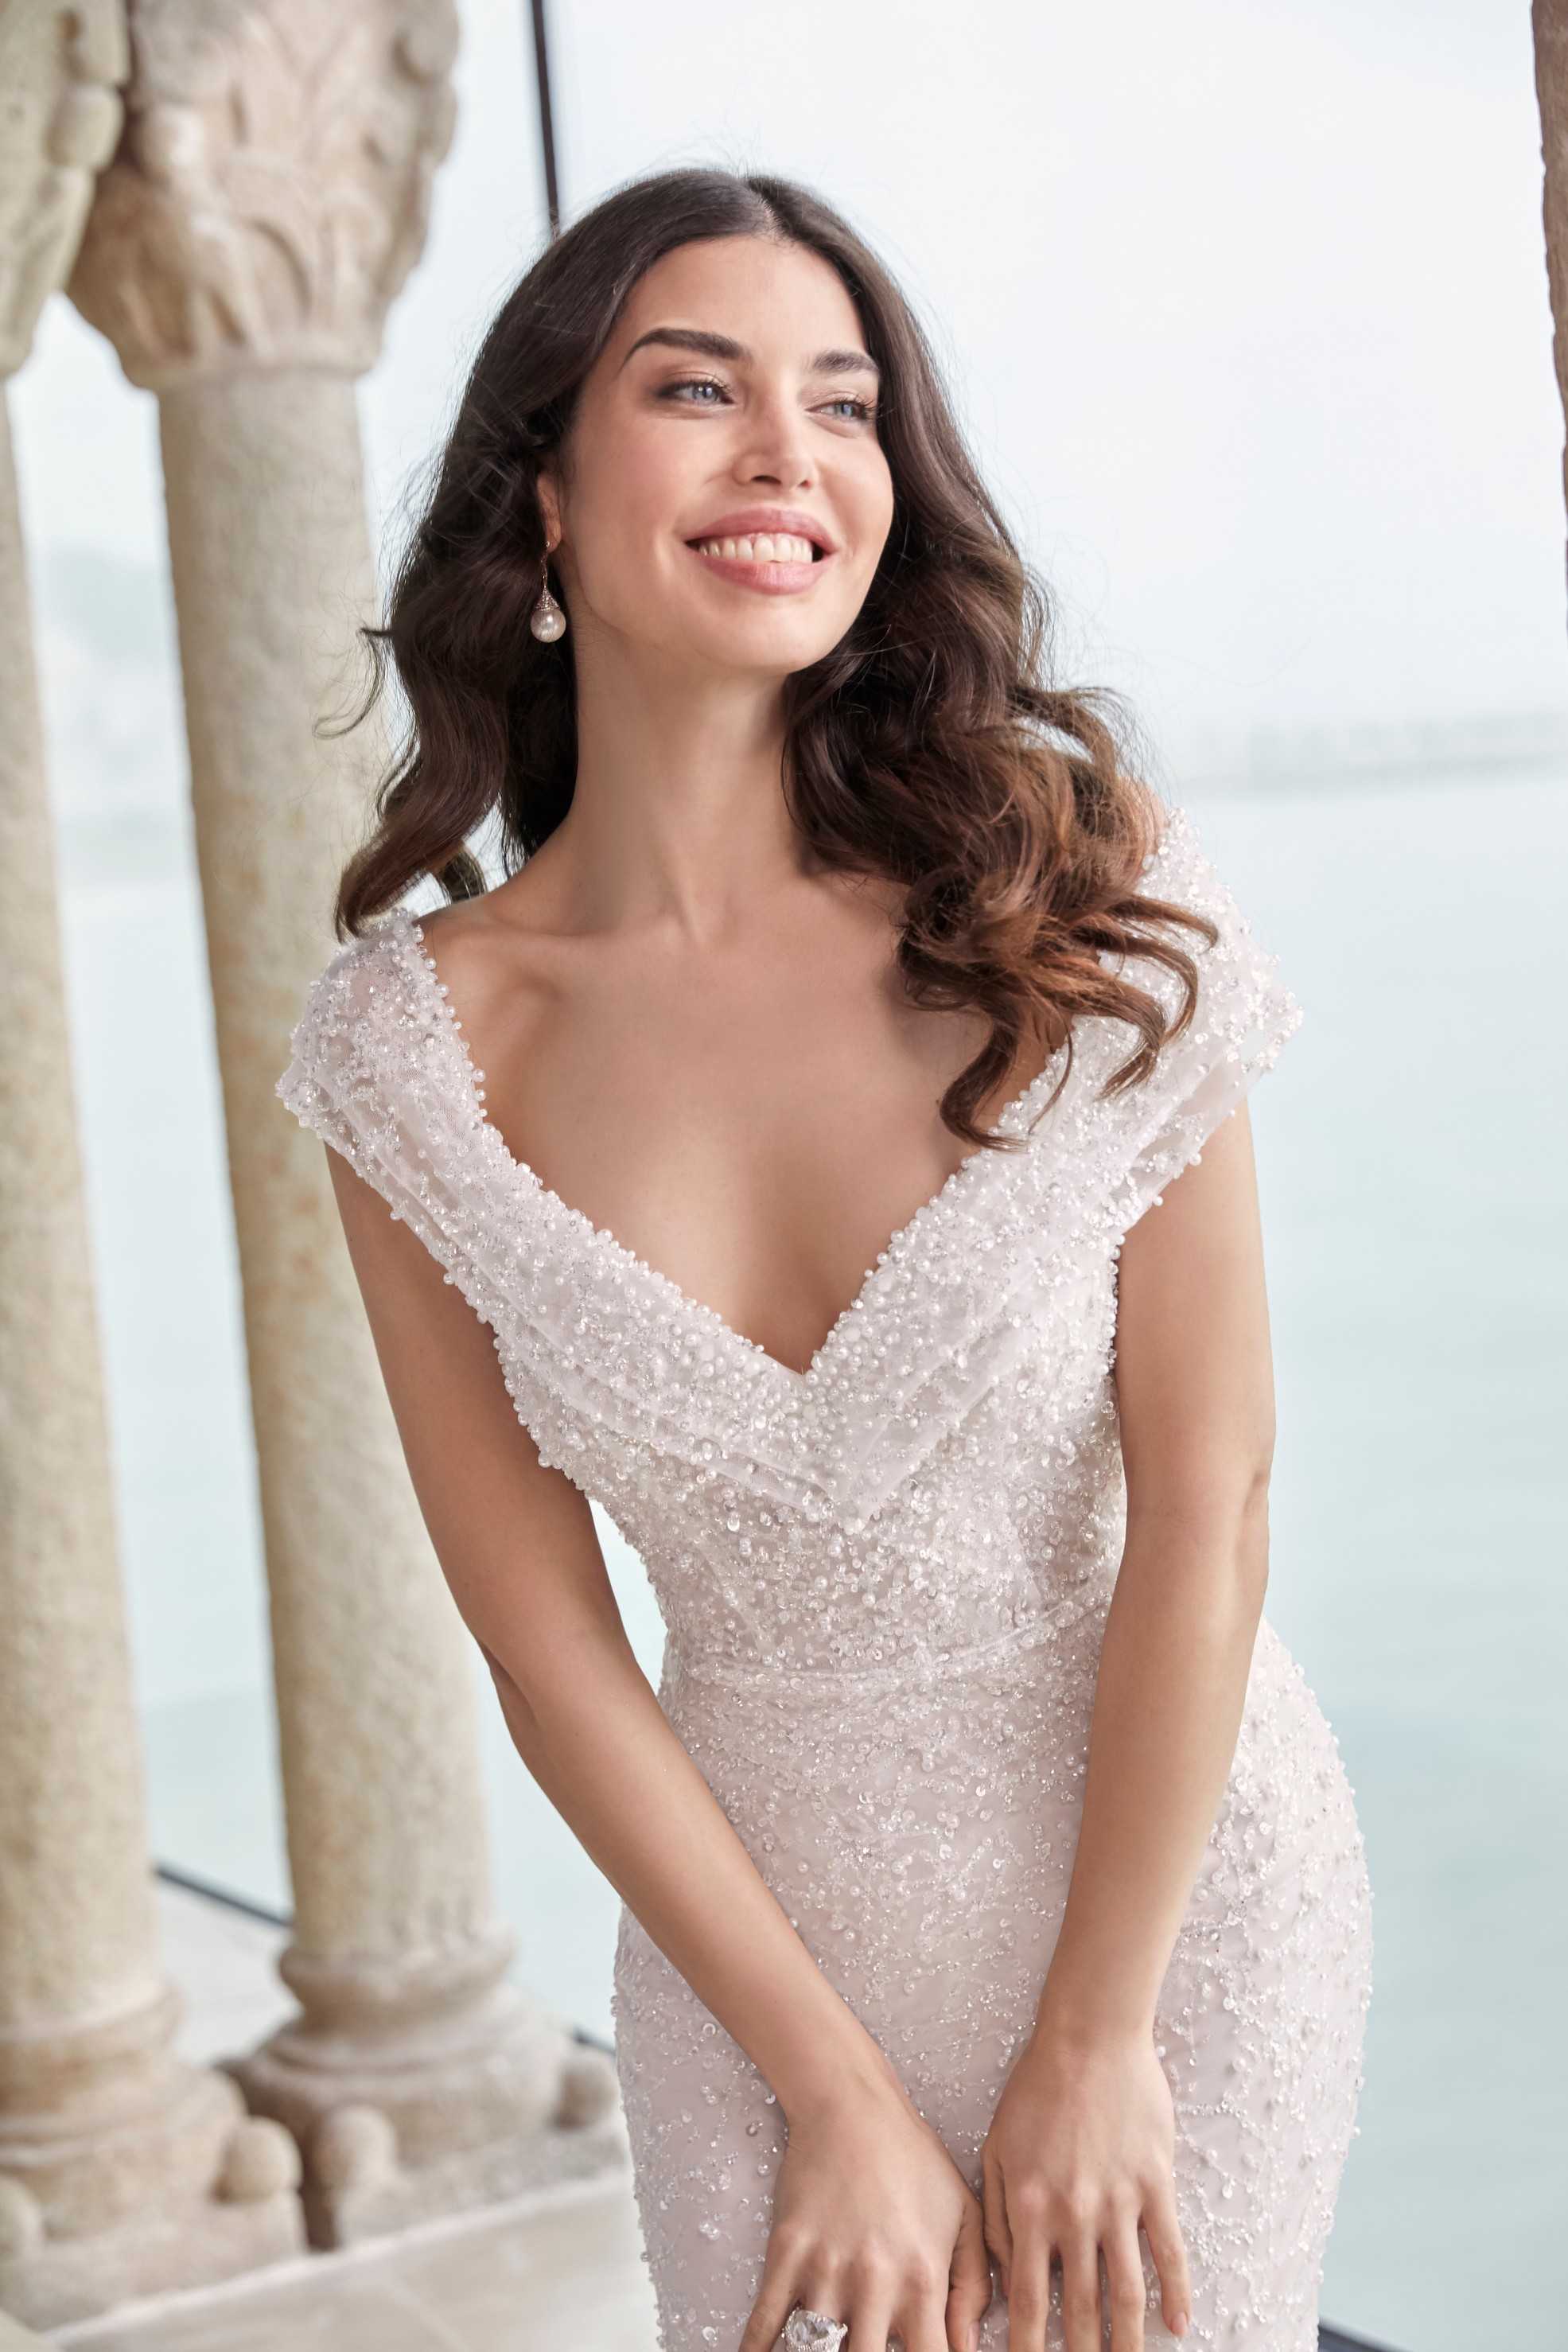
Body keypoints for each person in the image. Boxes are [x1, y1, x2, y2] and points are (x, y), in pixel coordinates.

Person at [280, 169, 1371, 2352]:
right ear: (547, 504)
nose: (791, 450)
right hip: (756, 1961)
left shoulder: (1072, 891)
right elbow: (541, 1642)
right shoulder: (410, 1046)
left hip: (1170, 1925)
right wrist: (832, 2090)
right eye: (698, 388)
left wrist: (1091, 2035)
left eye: (845, 401)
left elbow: (1209, 1497)